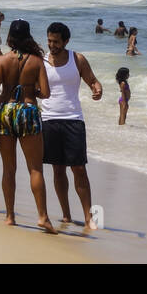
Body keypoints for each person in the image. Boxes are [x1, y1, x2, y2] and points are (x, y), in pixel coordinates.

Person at [0, 20, 55, 233]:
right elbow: (45, 93)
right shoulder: (37, 61)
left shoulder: (1, 60)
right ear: (28, 37)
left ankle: (9, 216)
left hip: (5, 112)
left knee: (9, 169)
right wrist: (29, 91)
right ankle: (43, 217)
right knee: (35, 168)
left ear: (9, 38)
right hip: (27, 111)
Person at [42, 21, 103, 233]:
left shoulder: (77, 59)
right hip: (48, 119)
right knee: (58, 169)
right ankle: (66, 214)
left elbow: (93, 81)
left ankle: (88, 218)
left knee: (79, 168)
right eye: (49, 40)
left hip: (73, 118)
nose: (52, 45)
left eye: (56, 42)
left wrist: (98, 90)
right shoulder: (42, 61)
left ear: (66, 41)